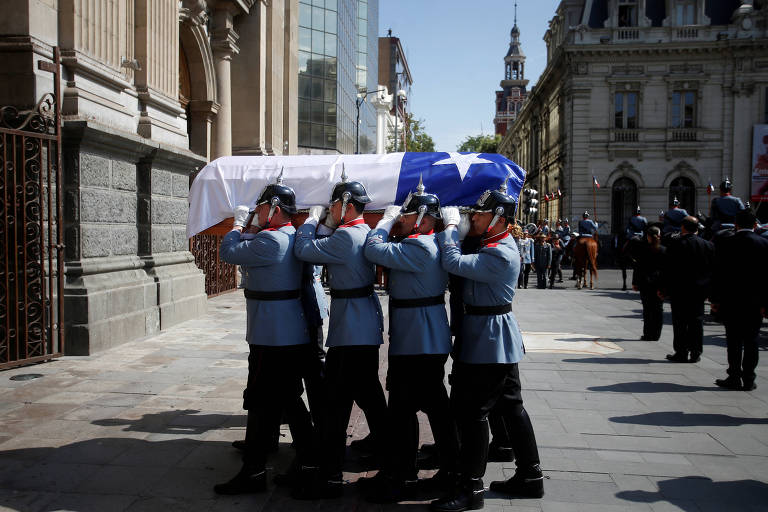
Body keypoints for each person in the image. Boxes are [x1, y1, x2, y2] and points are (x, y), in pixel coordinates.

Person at [431, 184, 543, 512]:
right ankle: (530, 475)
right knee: (510, 406)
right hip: (494, 336)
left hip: (488, 338)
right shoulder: (493, 242)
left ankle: (471, 487)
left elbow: (452, 261)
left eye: (479, 214)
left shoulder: (500, 251)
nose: (474, 219)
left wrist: (451, 229)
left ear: (497, 218)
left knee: (473, 412)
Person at [215, 174, 319, 495]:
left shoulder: (272, 240)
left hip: (272, 335)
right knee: (288, 398)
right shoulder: (283, 235)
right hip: (286, 332)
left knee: (262, 401)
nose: (257, 213)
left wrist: (237, 223)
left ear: (274, 208)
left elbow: (228, 251)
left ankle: (255, 471)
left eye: (260, 208)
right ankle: (309, 460)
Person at [363, 180, 459, 502]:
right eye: (399, 216)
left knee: (406, 408)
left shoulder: (421, 245)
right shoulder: (420, 242)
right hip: (420, 337)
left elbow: (372, 249)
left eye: (404, 214)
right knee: (426, 407)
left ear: (420, 217)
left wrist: (385, 222)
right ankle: (416, 470)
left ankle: (403, 475)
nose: (400, 219)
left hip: (420, 340)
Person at [293, 170, 387, 499]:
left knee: (336, 403)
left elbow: (303, 249)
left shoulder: (347, 236)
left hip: (352, 330)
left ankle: (330, 475)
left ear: (345, 205)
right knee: (370, 397)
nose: (331, 209)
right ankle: (391, 459)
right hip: (359, 325)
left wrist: (310, 221)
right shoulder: (360, 231)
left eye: (333, 204)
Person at [711, 209, 768, 391]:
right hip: (755, 302)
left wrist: (715, 299)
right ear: (754, 225)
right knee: (752, 341)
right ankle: (749, 378)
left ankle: (734, 375)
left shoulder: (726, 243)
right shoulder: (764, 244)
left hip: (731, 300)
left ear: (736, 224)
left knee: (733, 340)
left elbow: (718, 273)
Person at [659, 216, 714, 363]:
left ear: (683, 227)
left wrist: (663, 288)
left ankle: (681, 352)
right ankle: (696, 352)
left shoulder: (676, 243)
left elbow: (667, 269)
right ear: (697, 228)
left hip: (680, 290)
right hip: (699, 291)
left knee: (680, 322)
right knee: (697, 322)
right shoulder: (708, 245)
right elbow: (712, 270)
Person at [632, 225, 666, 341]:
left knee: (647, 309)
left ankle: (647, 333)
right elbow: (666, 269)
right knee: (658, 309)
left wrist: (635, 282)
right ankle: (656, 334)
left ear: (648, 237)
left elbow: (638, 267)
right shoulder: (663, 250)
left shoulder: (642, 249)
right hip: (659, 283)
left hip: (645, 282)